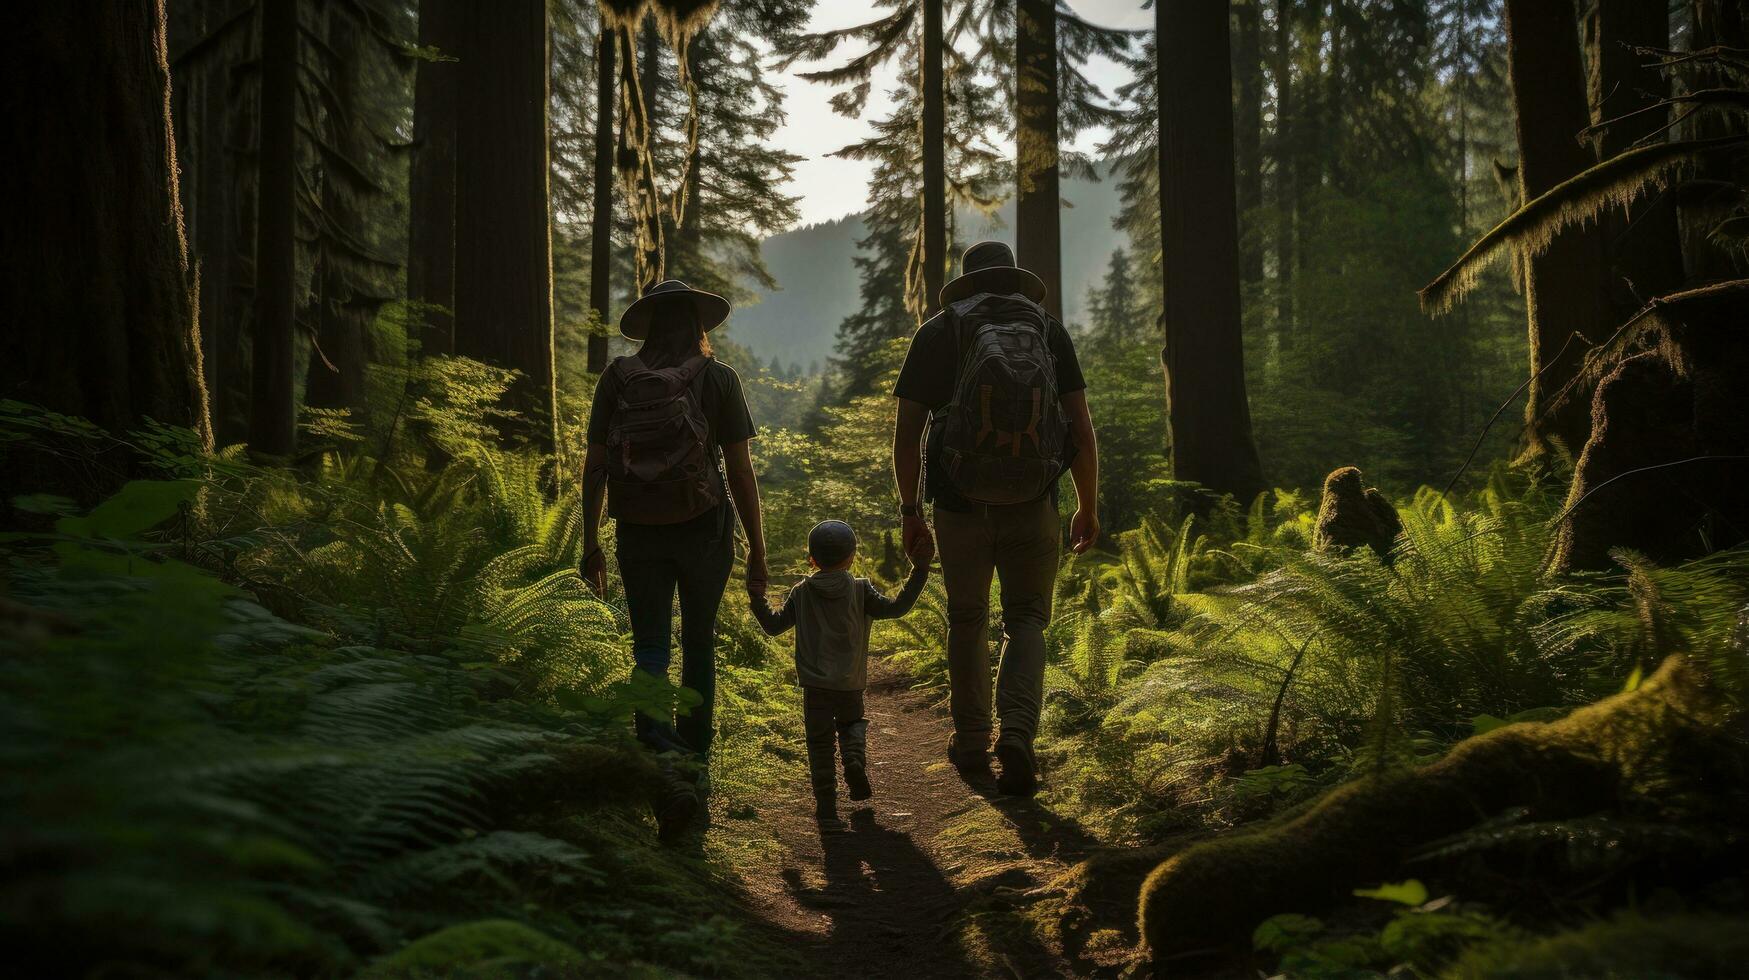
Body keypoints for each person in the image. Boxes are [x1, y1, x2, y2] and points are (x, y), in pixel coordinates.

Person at [891, 241, 1100, 797]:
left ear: (968, 282)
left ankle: (971, 739)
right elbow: (1079, 426)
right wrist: (1088, 503)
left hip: (959, 505)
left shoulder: (938, 332)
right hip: (1035, 501)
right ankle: (1019, 736)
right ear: (1011, 279)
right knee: (1027, 619)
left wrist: (911, 512)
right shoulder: (1049, 332)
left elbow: (907, 433)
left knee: (967, 618)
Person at [580, 279, 769, 839]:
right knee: (699, 646)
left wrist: (590, 541)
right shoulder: (719, 378)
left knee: (649, 649)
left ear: (649, 328)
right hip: (704, 530)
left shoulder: (617, 378)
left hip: (637, 531)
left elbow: (594, 466)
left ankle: (663, 770)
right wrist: (758, 550)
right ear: (699, 327)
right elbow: (739, 472)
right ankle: (694, 768)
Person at [749, 520, 932, 824]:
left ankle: (826, 809)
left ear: (812, 559)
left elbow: (773, 626)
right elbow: (897, 608)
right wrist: (920, 569)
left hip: (814, 687)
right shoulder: (861, 589)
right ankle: (853, 758)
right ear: (852, 556)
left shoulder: (801, 591)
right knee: (851, 724)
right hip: (849, 683)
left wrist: (757, 597)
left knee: (819, 744)